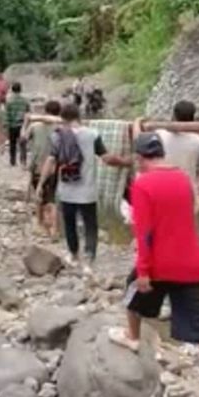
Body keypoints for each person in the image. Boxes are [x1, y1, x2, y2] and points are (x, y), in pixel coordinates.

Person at [108, 132, 199, 397]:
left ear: (139, 158)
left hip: (159, 263)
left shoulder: (143, 184)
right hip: (190, 262)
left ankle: (132, 337)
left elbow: (145, 232)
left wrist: (144, 270)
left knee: (130, 296)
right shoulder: (183, 180)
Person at [36, 103, 130, 273]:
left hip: (66, 190)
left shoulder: (58, 136)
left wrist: (41, 184)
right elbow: (107, 158)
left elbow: (50, 162)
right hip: (88, 191)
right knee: (90, 225)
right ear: (78, 116)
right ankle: (89, 259)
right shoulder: (92, 134)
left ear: (62, 119)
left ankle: (73, 255)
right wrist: (126, 162)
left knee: (70, 223)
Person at [156, 100, 199, 204]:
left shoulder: (159, 135)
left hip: (160, 189)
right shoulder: (197, 141)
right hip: (186, 191)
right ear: (192, 119)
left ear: (173, 116)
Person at [24, 100, 62, 237]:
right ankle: (54, 229)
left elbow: (23, 138)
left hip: (38, 166)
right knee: (53, 197)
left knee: (39, 195)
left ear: (46, 111)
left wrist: (25, 123)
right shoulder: (60, 127)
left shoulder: (35, 126)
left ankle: (40, 223)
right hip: (55, 167)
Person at [4, 82, 30, 167]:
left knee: (12, 144)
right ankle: (23, 161)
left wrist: (5, 126)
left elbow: (6, 115)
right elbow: (28, 113)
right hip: (22, 125)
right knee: (23, 144)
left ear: (12, 90)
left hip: (12, 126)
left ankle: (13, 161)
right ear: (20, 89)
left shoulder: (9, 101)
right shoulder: (25, 101)